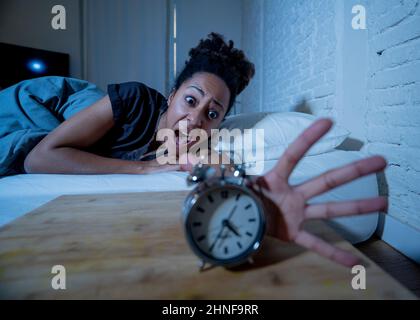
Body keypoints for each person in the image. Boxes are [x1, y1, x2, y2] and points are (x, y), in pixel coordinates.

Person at [0, 33, 387, 267]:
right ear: (171, 97)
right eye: (190, 100)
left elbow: (221, 173)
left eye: (212, 113)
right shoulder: (134, 99)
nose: (196, 117)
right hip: (50, 103)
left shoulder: (203, 143)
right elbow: (39, 158)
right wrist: (143, 170)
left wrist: (258, 207)